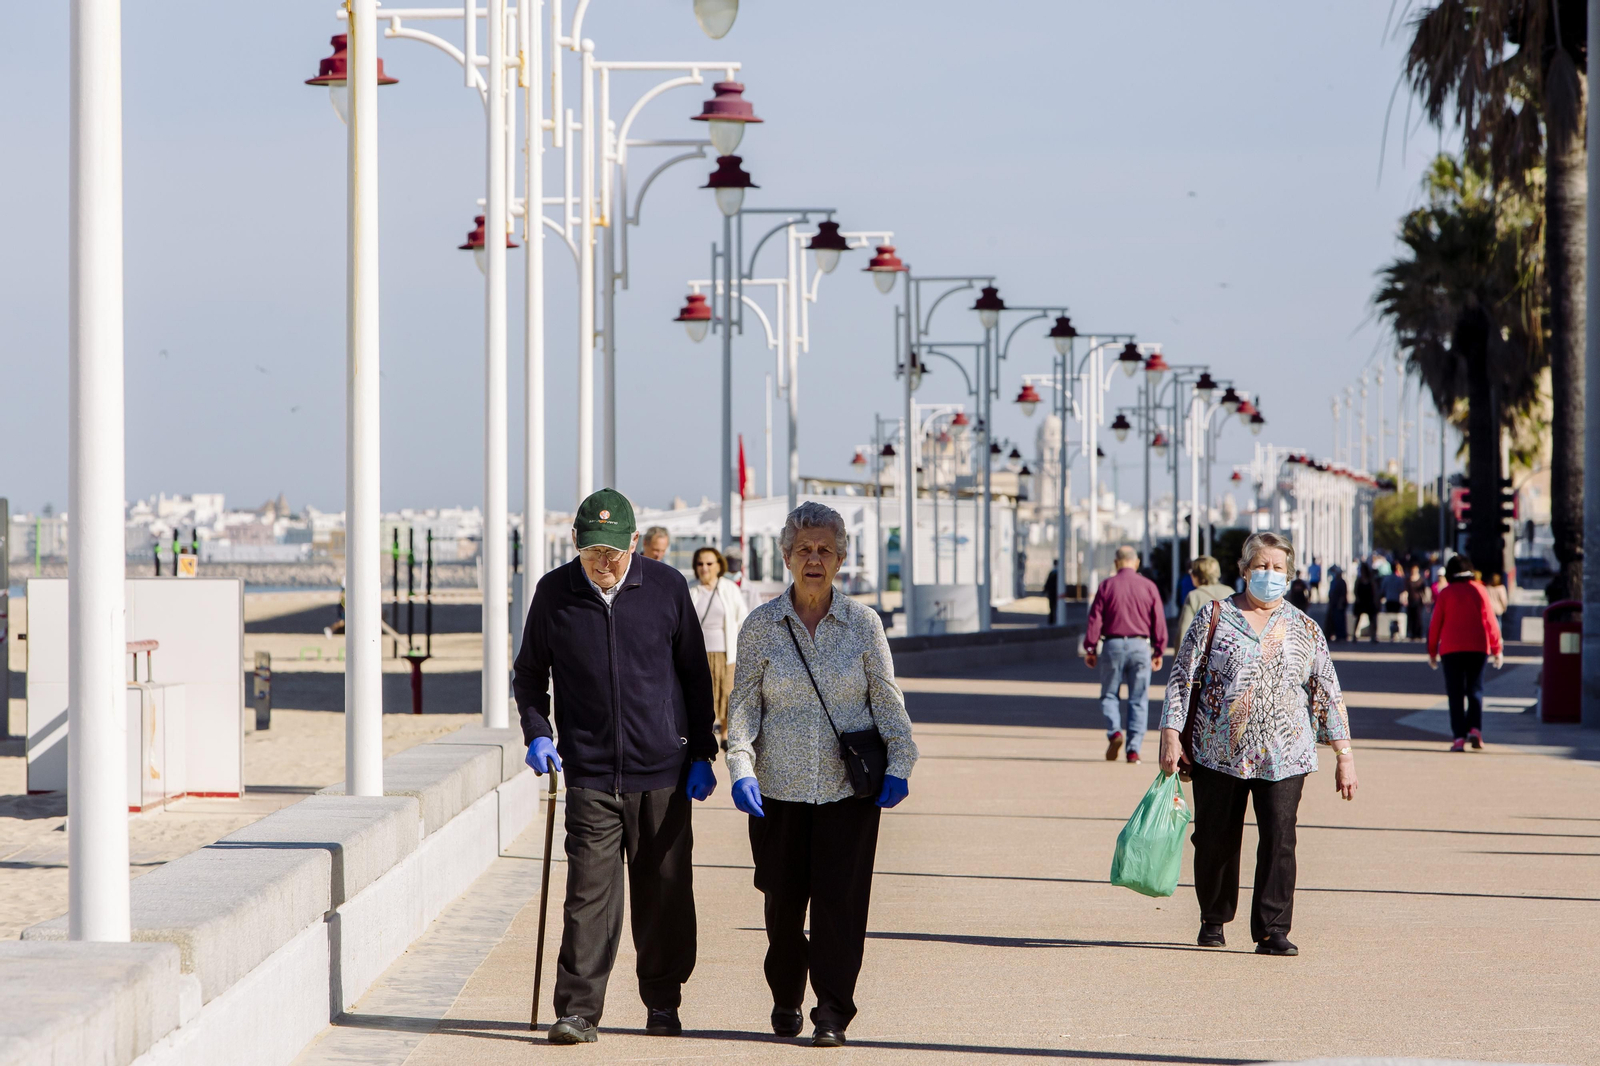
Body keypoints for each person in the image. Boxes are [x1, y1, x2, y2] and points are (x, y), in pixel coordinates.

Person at [513, 490, 718, 1045]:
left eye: (615, 552)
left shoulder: (668, 588)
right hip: (590, 772)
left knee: (666, 893)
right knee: (588, 895)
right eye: (592, 552)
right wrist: (538, 733)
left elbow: (696, 678)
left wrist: (702, 751)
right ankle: (578, 1010)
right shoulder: (554, 593)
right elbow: (530, 676)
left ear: (634, 543)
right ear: (576, 545)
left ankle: (663, 1001)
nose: (604, 564)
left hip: (664, 771)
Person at [726, 502, 918, 1048]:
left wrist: (901, 763)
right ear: (786, 557)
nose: (814, 559)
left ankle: (832, 1012)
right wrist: (740, 766)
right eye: (803, 549)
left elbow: (887, 698)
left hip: (846, 794)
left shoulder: (863, 624)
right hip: (777, 794)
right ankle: (785, 996)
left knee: (840, 909)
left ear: (840, 560)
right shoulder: (761, 626)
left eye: (824, 550)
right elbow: (742, 708)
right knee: (782, 911)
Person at [1159, 531, 1357, 957]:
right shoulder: (1214, 616)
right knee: (1215, 840)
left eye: (1278, 568)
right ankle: (1213, 918)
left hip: (1286, 755)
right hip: (1218, 751)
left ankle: (1272, 929)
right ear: (1245, 570)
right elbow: (1181, 678)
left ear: (1289, 574)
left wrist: (1344, 755)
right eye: (1262, 566)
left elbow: (1327, 692)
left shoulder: (1305, 628)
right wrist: (1171, 734)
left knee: (1280, 840)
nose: (1270, 574)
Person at [1084, 545, 1168, 764]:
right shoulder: (1148, 586)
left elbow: (1095, 619)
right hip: (1140, 646)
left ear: (1116, 562)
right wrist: (1159, 649)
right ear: (1136, 562)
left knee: (1109, 694)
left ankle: (1115, 732)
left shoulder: (1106, 586)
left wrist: (1090, 648)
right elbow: (1158, 620)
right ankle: (1133, 750)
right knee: (1138, 698)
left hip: (1112, 645)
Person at [1427, 555, 1504, 752]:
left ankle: (1459, 738)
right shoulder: (1480, 590)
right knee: (1475, 690)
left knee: (1455, 694)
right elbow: (1490, 620)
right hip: (1478, 647)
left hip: (1451, 649)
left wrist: (1432, 651)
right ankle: (1475, 729)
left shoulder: (1446, 593)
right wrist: (1497, 649)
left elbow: (1436, 623)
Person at [689, 546, 749, 750]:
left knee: (727, 693)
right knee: (702, 695)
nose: (704, 568)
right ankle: (704, 735)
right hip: (698, 654)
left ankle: (725, 734)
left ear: (718, 566)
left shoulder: (729, 588)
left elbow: (742, 618)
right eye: (700, 564)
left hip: (726, 653)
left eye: (709, 564)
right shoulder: (691, 589)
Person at [1177, 556, 1233, 644]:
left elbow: (1184, 632)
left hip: (1205, 652)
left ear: (1197, 575)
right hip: (1229, 648)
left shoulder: (1194, 596)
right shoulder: (1230, 592)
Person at [1352, 563, 1379, 642]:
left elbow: (1374, 591)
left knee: (1372, 619)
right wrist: (1357, 598)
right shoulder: (1359, 580)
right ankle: (1354, 635)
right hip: (1361, 601)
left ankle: (1373, 636)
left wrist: (1375, 601)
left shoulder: (1371, 581)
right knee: (1357, 618)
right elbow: (1355, 590)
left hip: (1369, 601)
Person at [1324, 565, 1348, 642]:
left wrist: (1340, 603)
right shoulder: (1333, 581)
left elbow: (1343, 594)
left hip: (1339, 604)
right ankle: (1330, 634)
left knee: (1339, 620)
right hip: (1332, 603)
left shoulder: (1342, 582)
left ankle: (1341, 635)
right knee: (1331, 619)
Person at [1405, 564, 1428, 642]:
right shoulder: (1408, 580)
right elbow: (1406, 590)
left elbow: (1423, 591)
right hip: (1410, 600)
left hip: (1418, 601)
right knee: (1411, 617)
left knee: (1418, 618)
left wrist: (1425, 600)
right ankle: (1412, 634)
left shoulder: (1421, 580)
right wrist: (1405, 598)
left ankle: (1418, 633)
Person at [1042, 559, 1060, 626]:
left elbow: (1047, 583)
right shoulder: (1056, 573)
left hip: (1052, 593)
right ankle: (1053, 620)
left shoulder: (1053, 573)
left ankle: (1052, 620)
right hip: (1055, 592)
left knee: (1052, 607)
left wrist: (1045, 590)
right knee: (1054, 607)